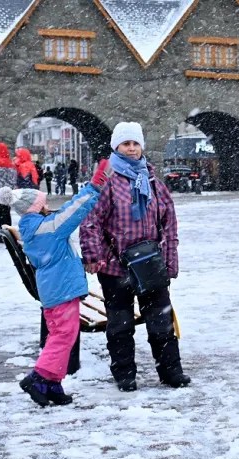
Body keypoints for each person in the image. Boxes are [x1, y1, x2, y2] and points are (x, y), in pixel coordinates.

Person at [80, 122, 190, 392]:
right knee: (120, 325)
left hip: (150, 265)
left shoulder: (152, 181)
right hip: (116, 267)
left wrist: (169, 260)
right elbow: (90, 222)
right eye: (125, 144)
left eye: (135, 143)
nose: (131, 148)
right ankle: (125, 374)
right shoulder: (107, 181)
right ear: (116, 147)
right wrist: (95, 255)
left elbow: (169, 223)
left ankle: (171, 372)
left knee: (161, 322)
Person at [0, 165, 110, 407]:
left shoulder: (33, 227)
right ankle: (38, 378)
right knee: (63, 335)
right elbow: (73, 212)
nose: (48, 207)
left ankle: (53, 383)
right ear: (36, 208)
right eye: (44, 204)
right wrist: (94, 188)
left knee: (63, 335)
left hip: (56, 289)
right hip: (61, 290)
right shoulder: (47, 229)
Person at [0, 142, 17, 243]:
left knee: (1, 215)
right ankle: (8, 234)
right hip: (8, 193)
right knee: (6, 214)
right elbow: (14, 180)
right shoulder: (12, 164)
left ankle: (4, 235)